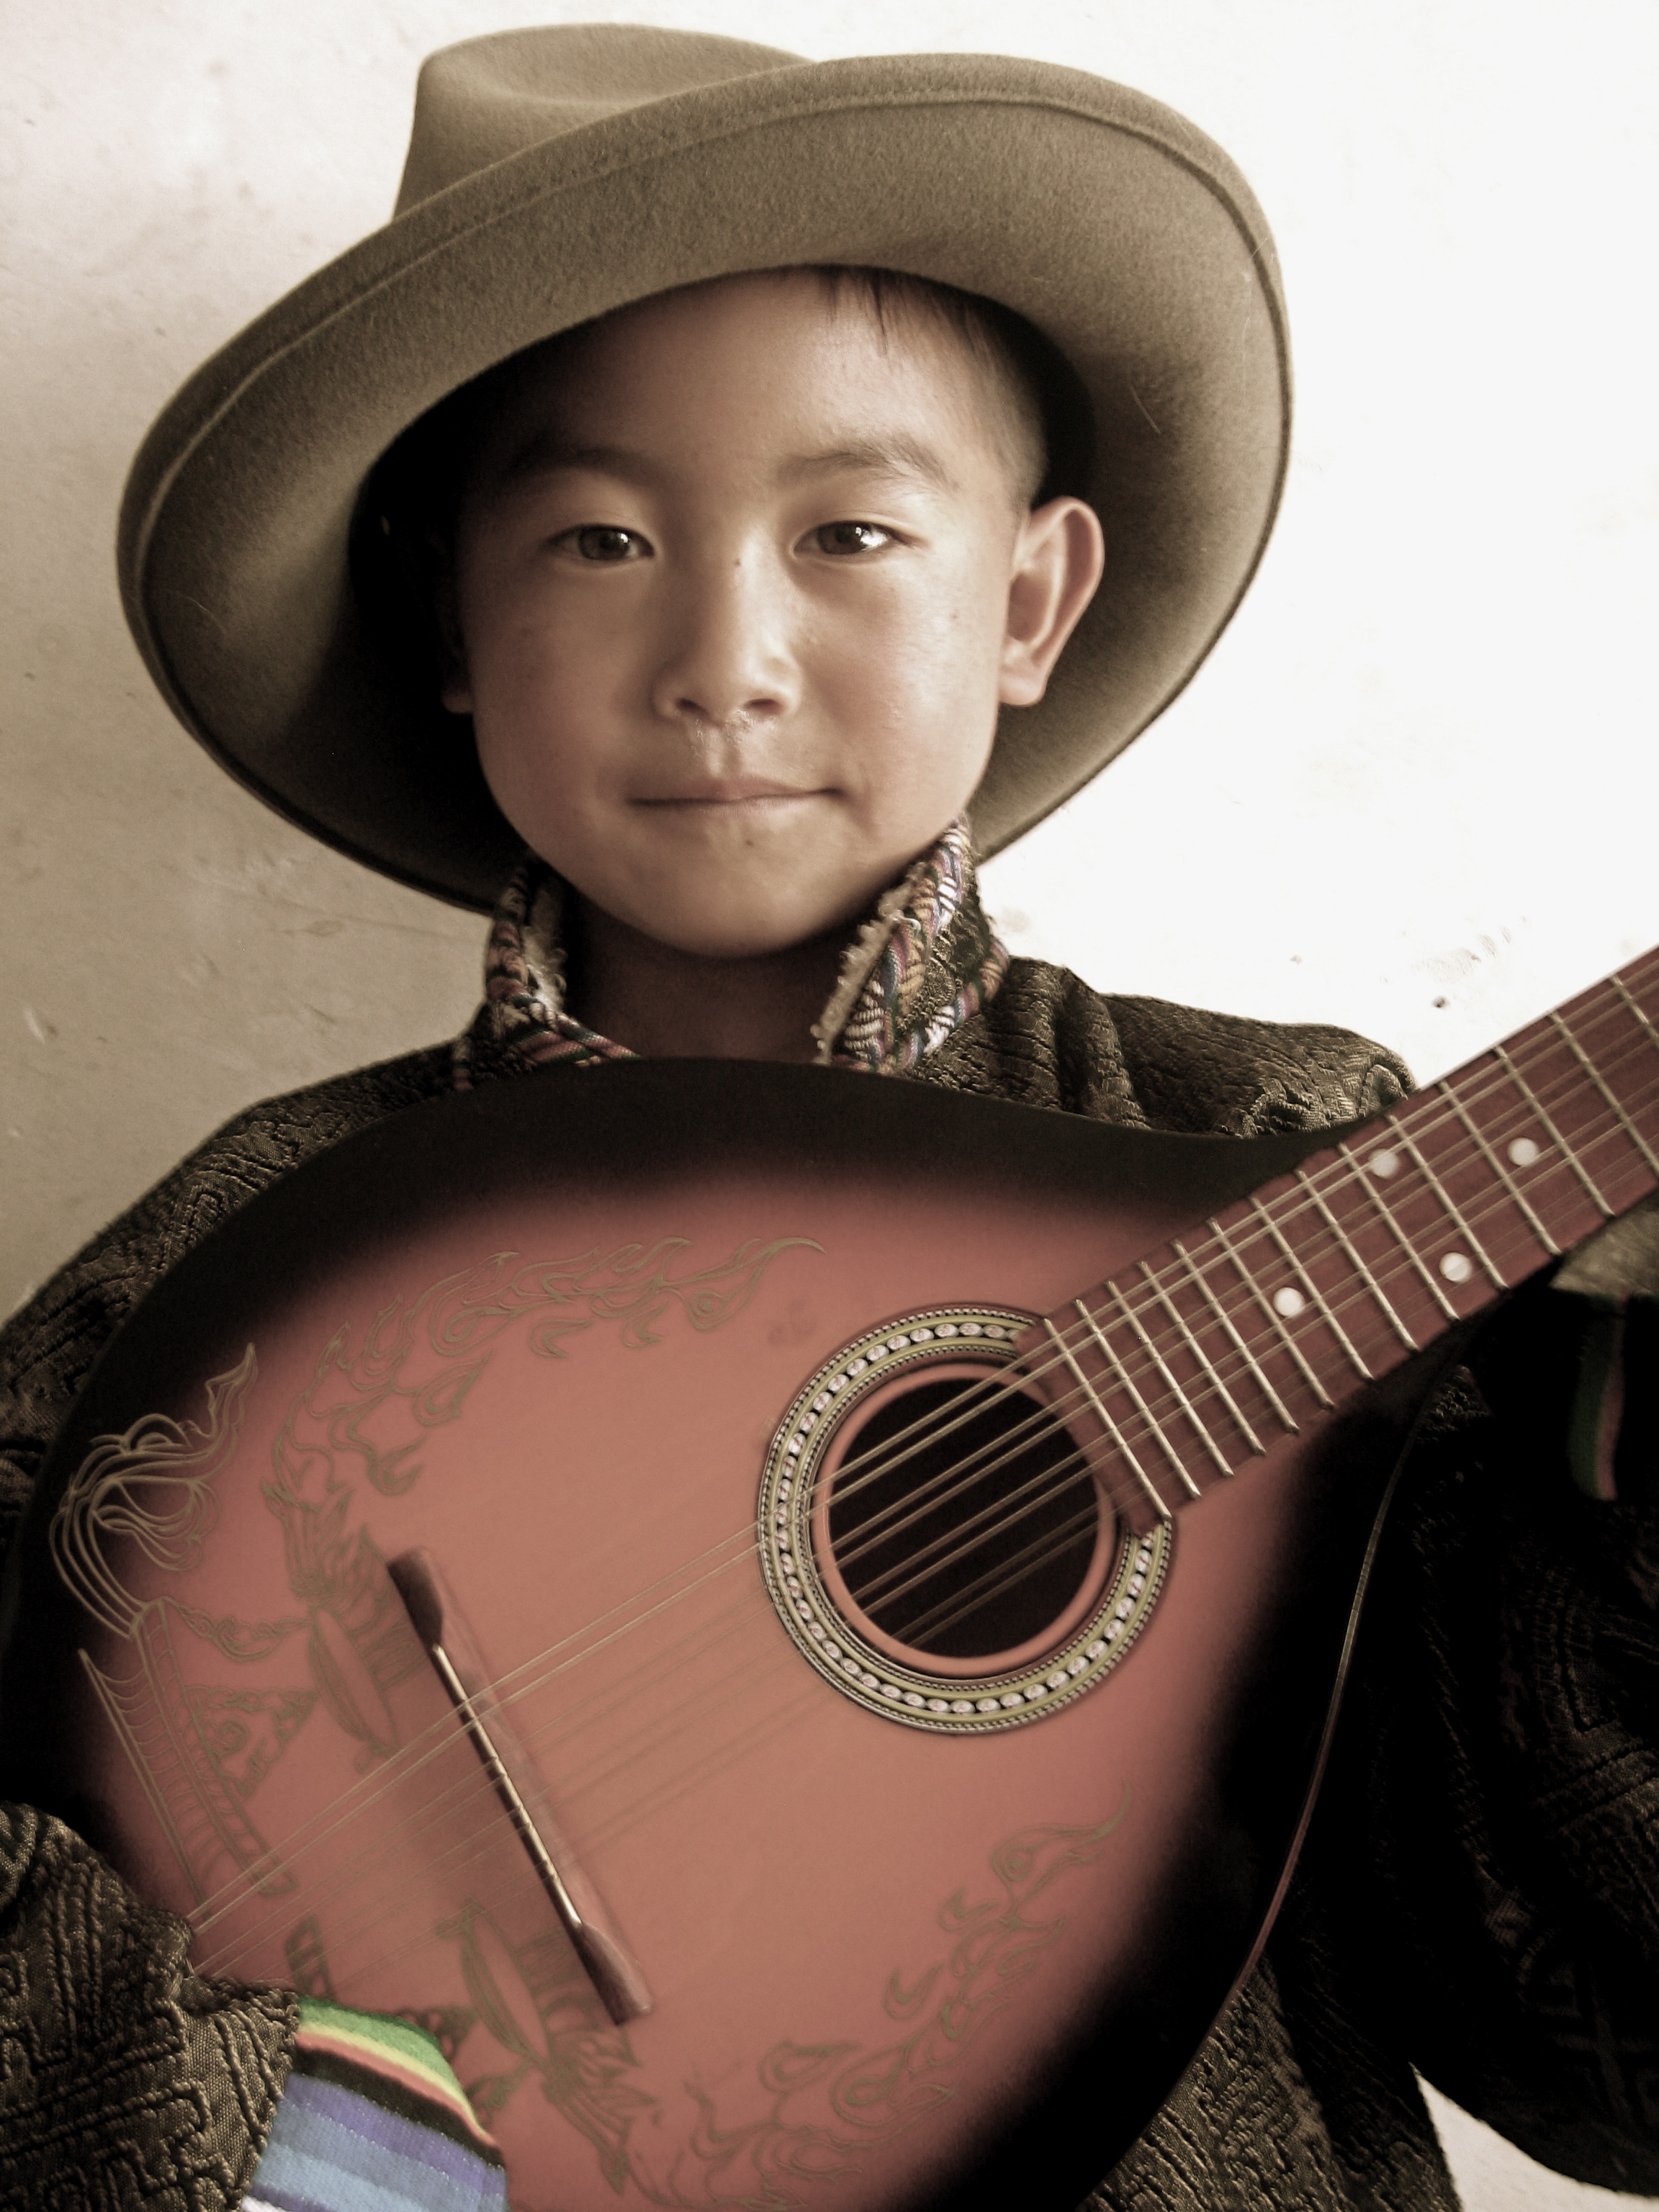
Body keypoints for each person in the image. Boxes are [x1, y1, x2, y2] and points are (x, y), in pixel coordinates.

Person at [1, 26, 1655, 2211]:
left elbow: (1596, 2028)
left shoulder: (1302, 1152)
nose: (727, 659)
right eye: (600, 537)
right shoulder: (257, 1250)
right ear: (448, 619)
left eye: (851, 531)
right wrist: (293, 2150)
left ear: (1029, 602)